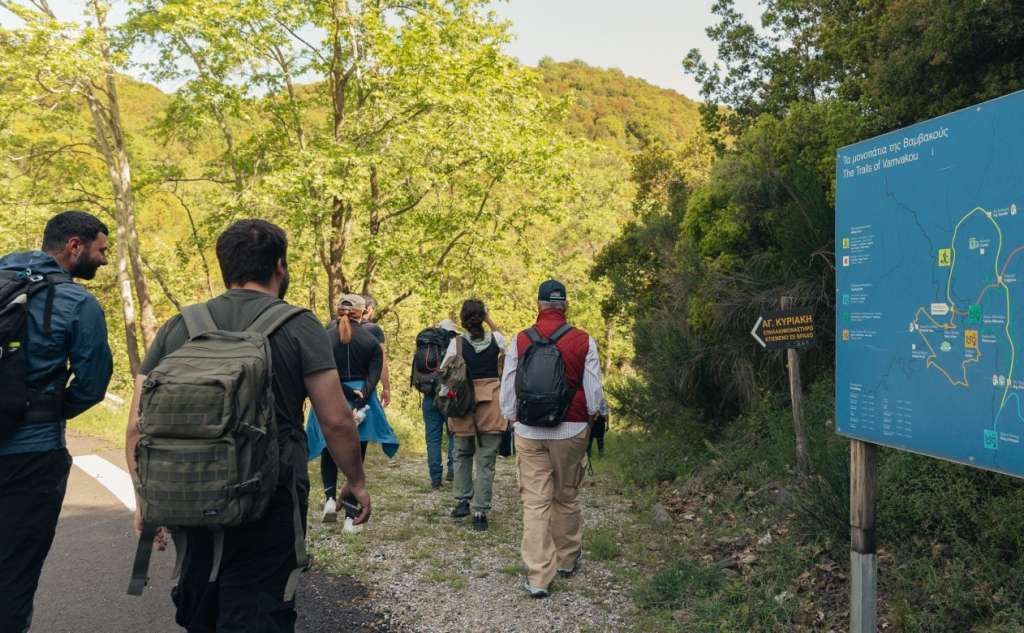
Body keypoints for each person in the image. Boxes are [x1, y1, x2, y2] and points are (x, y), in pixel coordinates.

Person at [125, 219, 371, 632]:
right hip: (269, 495)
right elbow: (337, 420)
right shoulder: (298, 325)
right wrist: (356, 480)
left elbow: (136, 427)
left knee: (202, 606)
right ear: (280, 267)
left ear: (225, 268)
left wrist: (146, 500)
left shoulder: (180, 325)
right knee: (260, 607)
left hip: (191, 492)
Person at [0, 210, 113, 632]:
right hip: (31, 455)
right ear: (74, 246)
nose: (103, 260)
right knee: (13, 574)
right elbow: (93, 382)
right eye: (101, 250)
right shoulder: (77, 302)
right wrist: (45, 411)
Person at [500, 279, 608, 599]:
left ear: (539, 305)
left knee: (535, 503)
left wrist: (513, 418)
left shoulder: (520, 340)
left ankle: (538, 578)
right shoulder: (583, 340)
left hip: (529, 430)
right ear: (566, 306)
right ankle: (567, 558)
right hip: (571, 429)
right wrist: (589, 419)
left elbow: (508, 390)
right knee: (566, 495)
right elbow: (594, 396)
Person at [307, 293, 397, 523]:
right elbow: (374, 374)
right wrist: (360, 397)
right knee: (356, 455)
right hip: (362, 400)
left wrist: (343, 392)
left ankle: (329, 499)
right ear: (362, 312)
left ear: (339, 312)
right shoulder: (370, 340)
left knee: (329, 448)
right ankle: (350, 515)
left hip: (329, 396)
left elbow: (319, 370)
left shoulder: (323, 338)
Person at [444, 300, 506, 531]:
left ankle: (462, 500)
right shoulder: (496, 340)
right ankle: (480, 512)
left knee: (461, 453)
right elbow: (506, 344)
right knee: (486, 460)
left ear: (462, 319)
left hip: (463, 404)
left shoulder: (456, 344)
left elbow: (446, 372)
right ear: (482, 317)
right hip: (491, 404)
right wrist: (489, 320)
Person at [419, 319, 457, 488]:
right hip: (448, 396)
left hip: (428, 396)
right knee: (453, 435)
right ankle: (453, 471)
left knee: (432, 440)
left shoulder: (426, 344)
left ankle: (435, 478)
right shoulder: (455, 345)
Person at [360, 294, 391, 409]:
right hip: (365, 386)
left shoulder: (333, 327)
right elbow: (382, 362)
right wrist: (386, 388)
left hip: (337, 387)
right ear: (369, 309)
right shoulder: (373, 330)